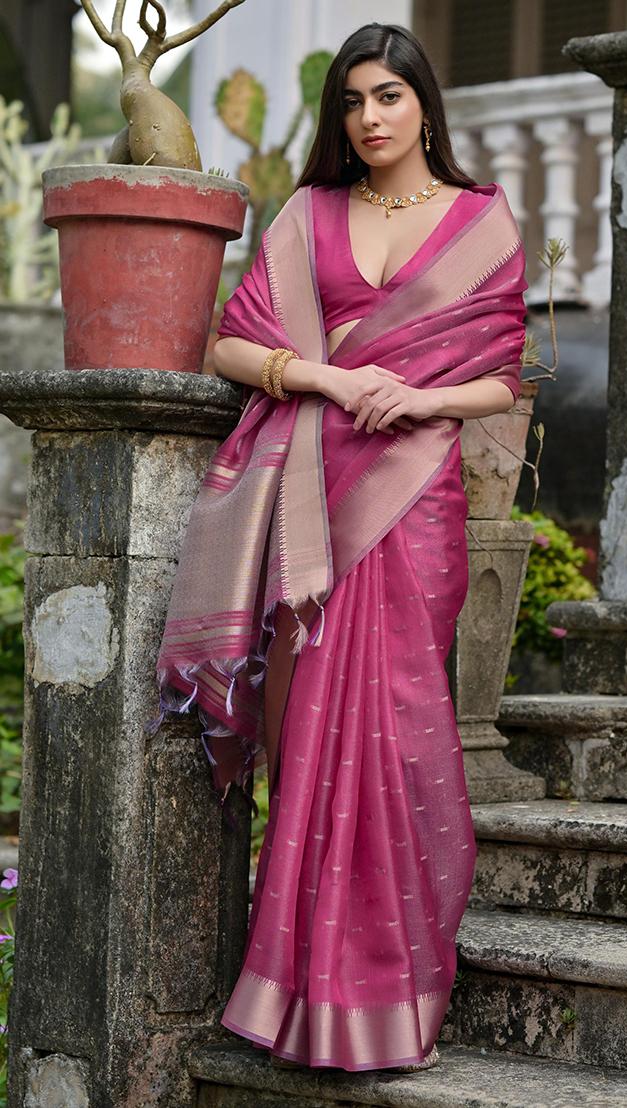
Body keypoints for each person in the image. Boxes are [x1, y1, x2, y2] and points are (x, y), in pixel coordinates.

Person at [147, 21, 527, 1074]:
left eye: (389, 97)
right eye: (354, 100)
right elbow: (230, 339)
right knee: (310, 732)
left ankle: (393, 992)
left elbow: (504, 372)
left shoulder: (480, 224)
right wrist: (325, 379)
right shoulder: (306, 215)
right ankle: (306, 996)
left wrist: (418, 397)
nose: (370, 117)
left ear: (423, 106)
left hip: (413, 501)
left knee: (400, 730)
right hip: (311, 504)